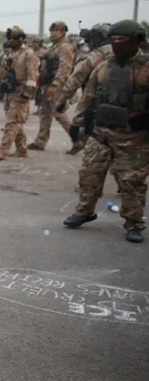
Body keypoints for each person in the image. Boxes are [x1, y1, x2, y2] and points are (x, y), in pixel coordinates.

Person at [62, 20, 149, 244]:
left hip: (134, 136)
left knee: (132, 182)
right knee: (89, 174)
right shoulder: (104, 66)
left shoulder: (146, 67)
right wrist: (77, 123)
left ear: (137, 41)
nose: (116, 44)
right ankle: (84, 211)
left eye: (122, 40)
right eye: (113, 40)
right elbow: (89, 96)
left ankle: (134, 223)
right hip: (101, 133)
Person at [56, 23, 112, 155]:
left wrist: (61, 101)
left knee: (95, 146)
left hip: (97, 106)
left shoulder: (95, 56)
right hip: (126, 110)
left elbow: (74, 81)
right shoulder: (132, 54)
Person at [0, 26, 39, 160]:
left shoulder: (28, 54)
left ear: (21, 39)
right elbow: (1, 69)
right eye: (9, 38)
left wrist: (28, 93)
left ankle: (3, 150)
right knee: (16, 122)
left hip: (21, 92)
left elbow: (32, 75)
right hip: (9, 91)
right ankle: (22, 149)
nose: (11, 41)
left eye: (14, 39)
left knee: (12, 122)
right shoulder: (10, 54)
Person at [28, 21, 76, 151]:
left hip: (55, 85)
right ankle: (40, 141)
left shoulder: (65, 47)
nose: (52, 34)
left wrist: (56, 84)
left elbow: (65, 67)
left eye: (54, 31)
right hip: (46, 84)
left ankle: (77, 139)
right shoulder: (54, 46)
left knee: (59, 113)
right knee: (44, 114)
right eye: (51, 31)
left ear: (62, 32)